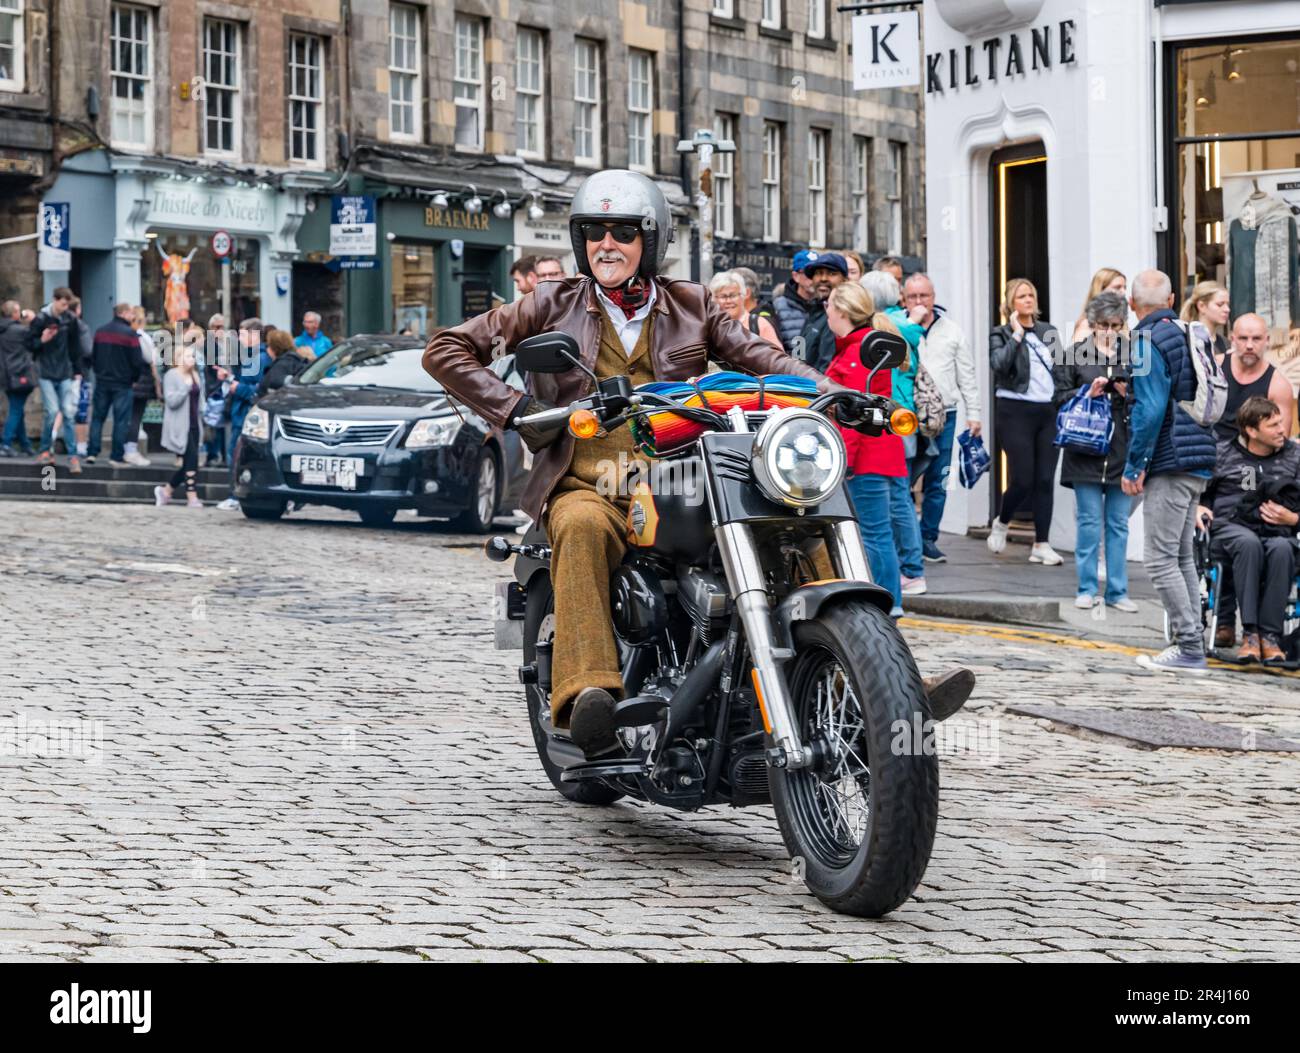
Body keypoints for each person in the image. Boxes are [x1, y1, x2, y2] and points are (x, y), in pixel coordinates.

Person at [1124, 269, 1218, 675]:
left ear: (1131, 305)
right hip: (1198, 456)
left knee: (1160, 558)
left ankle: (1189, 646)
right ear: (1172, 298)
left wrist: (1134, 465)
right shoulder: (1187, 332)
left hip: (1170, 459)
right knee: (1181, 556)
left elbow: (1149, 410)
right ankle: (1191, 640)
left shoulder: (1145, 341)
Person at [825, 282, 919, 614]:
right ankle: (887, 601)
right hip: (884, 454)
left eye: (829, 306)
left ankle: (886, 603)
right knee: (881, 534)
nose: (826, 312)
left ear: (842, 312)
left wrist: (845, 461)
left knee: (874, 536)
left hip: (866, 459)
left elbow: (854, 415)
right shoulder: (862, 348)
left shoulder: (855, 354)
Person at [1198, 397, 1300, 663]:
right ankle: (1251, 635)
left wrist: (1293, 519)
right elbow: (1197, 492)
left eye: (1281, 423)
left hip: (1277, 532)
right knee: (1248, 543)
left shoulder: (1295, 456)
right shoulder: (1223, 453)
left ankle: (1270, 636)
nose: (1282, 429)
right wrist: (1198, 507)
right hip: (1230, 530)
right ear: (1252, 431)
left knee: (1282, 548)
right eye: (1273, 425)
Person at [1053, 291, 1137, 611]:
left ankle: (1118, 590)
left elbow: (1143, 399)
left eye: (1117, 324)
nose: (1110, 330)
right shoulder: (1074, 354)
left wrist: (1125, 390)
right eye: (1103, 324)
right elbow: (1058, 398)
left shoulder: (1132, 355)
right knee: (1089, 522)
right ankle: (1086, 587)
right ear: (1092, 323)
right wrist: (1085, 392)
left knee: (1118, 522)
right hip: (1084, 447)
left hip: (1120, 448)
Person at [904, 272, 982, 563]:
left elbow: (967, 375)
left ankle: (928, 538)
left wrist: (974, 414)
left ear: (933, 297)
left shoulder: (952, 330)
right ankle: (909, 538)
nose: (919, 301)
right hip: (908, 415)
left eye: (923, 295)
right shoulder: (899, 326)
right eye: (912, 296)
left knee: (938, 479)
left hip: (945, 415)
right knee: (906, 478)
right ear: (904, 299)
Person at [859, 270, 928, 595]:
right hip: (904, 417)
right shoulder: (904, 326)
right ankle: (912, 568)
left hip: (886, 419)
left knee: (892, 504)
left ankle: (908, 572)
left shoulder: (879, 329)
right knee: (902, 497)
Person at [988, 278, 1063, 565]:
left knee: (1045, 479)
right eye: (1021, 296)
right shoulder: (1000, 333)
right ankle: (1003, 520)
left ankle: (1041, 543)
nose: (1028, 300)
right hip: (1014, 410)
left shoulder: (1049, 332)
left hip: (1047, 412)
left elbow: (1062, 370)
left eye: (1031, 294)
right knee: (1023, 479)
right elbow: (999, 365)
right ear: (1010, 303)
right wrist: (1016, 334)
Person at [215, 318, 270, 511]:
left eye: (242, 334)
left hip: (246, 413)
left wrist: (236, 387)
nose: (239, 337)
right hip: (243, 413)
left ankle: (235, 496)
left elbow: (258, 389)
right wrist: (229, 378)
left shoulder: (259, 358)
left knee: (236, 454)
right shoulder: (252, 356)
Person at [1214, 312, 1294, 445]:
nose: (1249, 345)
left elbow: (1281, 441)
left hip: (1251, 459)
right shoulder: (1215, 366)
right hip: (1211, 452)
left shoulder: (1278, 386)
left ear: (1267, 340)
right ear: (1232, 339)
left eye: (1256, 338)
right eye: (1243, 338)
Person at [27, 287, 83, 472]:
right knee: (51, 411)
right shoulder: (41, 319)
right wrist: (42, 340)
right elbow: (29, 344)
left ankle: (72, 455)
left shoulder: (70, 320)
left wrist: (77, 370)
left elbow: (75, 346)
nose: (64, 308)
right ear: (55, 300)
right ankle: (45, 450)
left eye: (67, 305)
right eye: (63, 303)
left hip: (65, 370)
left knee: (67, 412)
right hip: (46, 371)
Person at [84, 303, 143, 467]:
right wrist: (134, 378)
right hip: (123, 383)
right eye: (131, 313)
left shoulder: (100, 331)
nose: (133, 316)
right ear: (124, 313)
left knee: (97, 418)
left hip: (103, 381)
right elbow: (137, 361)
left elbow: (93, 356)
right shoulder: (130, 334)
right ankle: (116, 456)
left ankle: (92, 452)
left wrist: (98, 372)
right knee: (121, 420)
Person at [155, 335, 205, 509]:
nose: (192, 359)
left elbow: (200, 399)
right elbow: (171, 401)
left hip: (194, 423)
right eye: (188, 356)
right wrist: (185, 387)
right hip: (179, 425)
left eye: (193, 356)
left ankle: (166, 491)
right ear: (179, 359)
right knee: (191, 461)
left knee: (189, 462)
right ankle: (192, 497)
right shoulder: (172, 375)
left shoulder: (196, 376)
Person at [123, 307, 160, 467]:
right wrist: (157, 382)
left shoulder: (125, 335)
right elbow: (150, 358)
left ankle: (125, 448)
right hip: (140, 380)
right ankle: (130, 449)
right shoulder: (141, 336)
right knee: (135, 416)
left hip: (127, 380)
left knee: (127, 416)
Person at [800, 252, 849, 371]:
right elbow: (799, 356)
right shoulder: (813, 311)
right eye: (818, 273)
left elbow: (828, 368)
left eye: (832, 273)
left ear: (845, 279)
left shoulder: (843, 315)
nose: (823, 279)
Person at [0, 300, 37, 456]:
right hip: (19, 375)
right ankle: (5, 443)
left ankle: (25, 444)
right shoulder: (19, 331)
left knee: (18, 410)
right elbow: (35, 338)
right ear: (14, 313)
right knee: (16, 410)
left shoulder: (3, 329)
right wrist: (33, 319)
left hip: (5, 376)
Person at [709, 271, 782, 350]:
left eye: (733, 295)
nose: (728, 301)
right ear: (714, 299)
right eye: (723, 296)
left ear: (744, 295)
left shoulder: (759, 325)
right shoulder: (708, 326)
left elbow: (778, 358)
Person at [771, 249, 820, 352]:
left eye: (818, 273)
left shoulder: (827, 306)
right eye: (809, 273)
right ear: (796, 276)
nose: (814, 279)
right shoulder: (778, 307)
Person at [1070, 268, 1127, 343]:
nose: (1123, 292)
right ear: (1101, 289)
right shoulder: (1087, 326)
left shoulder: (1120, 321)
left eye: (1124, 287)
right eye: (1117, 287)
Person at [68, 295, 94, 457]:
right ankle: (81, 445)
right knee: (81, 411)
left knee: (60, 410)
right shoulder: (80, 326)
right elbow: (88, 350)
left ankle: (51, 442)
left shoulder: (58, 324)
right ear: (77, 309)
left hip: (60, 372)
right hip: (79, 373)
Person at [1180, 280, 1231, 356]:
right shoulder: (1187, 341)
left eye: (1227, 304)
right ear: (1201, 306)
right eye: (1220, 304)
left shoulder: (1225, 343)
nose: (1227, 309)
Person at [259, 328, 312, 395]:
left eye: (269, 345)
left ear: (274, 348)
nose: (267, 349)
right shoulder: (299, 360)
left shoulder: (280, 366)